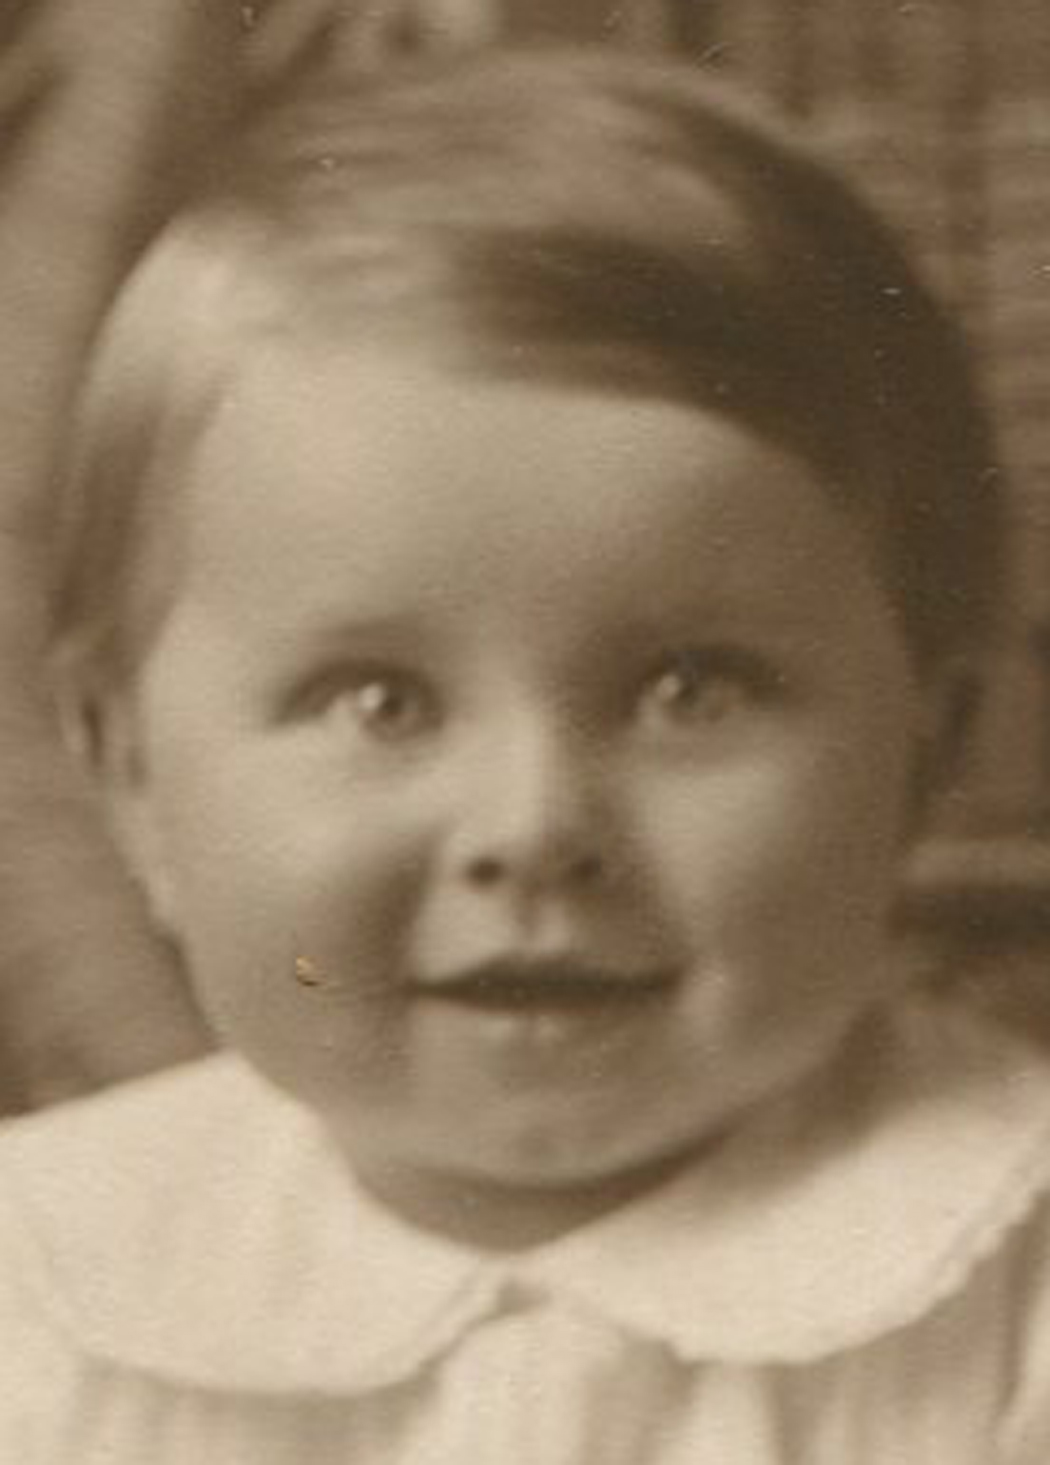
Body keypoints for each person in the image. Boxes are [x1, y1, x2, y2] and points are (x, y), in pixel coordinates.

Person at [1, 42, 1048, 1462]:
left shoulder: (1013, 1300)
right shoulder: (45, 1287)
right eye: (379, 702)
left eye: (691, 691)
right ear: (127, 770)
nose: (533, 827)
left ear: (931, 746)